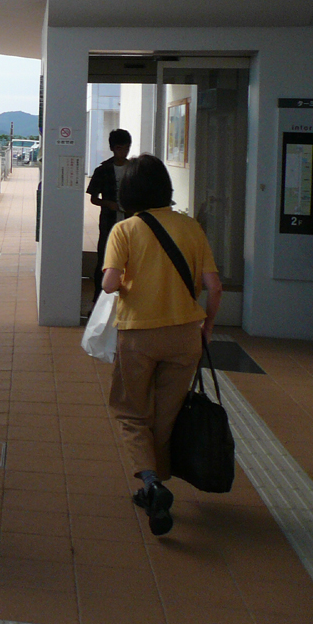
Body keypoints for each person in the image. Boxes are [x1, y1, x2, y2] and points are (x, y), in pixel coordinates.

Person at [102, 153, 222, 536]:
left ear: (129, 191)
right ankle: (156, 492)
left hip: (139, 334)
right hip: (186, 334)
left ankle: (151, 483)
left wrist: (123, 279)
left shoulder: (126, 230)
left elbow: (108, 284)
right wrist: (208, 327)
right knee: (165, 416)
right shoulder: (190, 227)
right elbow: (214, 286)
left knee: (130, 411)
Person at [87, 128, 131, 300]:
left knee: (129, 260)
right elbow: (93, 199)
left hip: (129, 220)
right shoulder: (102, 170)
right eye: (120, 148)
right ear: (113, 148)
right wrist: (108, 204)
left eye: (127, 148)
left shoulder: (133, 169)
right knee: (104, 260)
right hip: (108, 221)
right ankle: (98, 299)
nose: (124, 152)